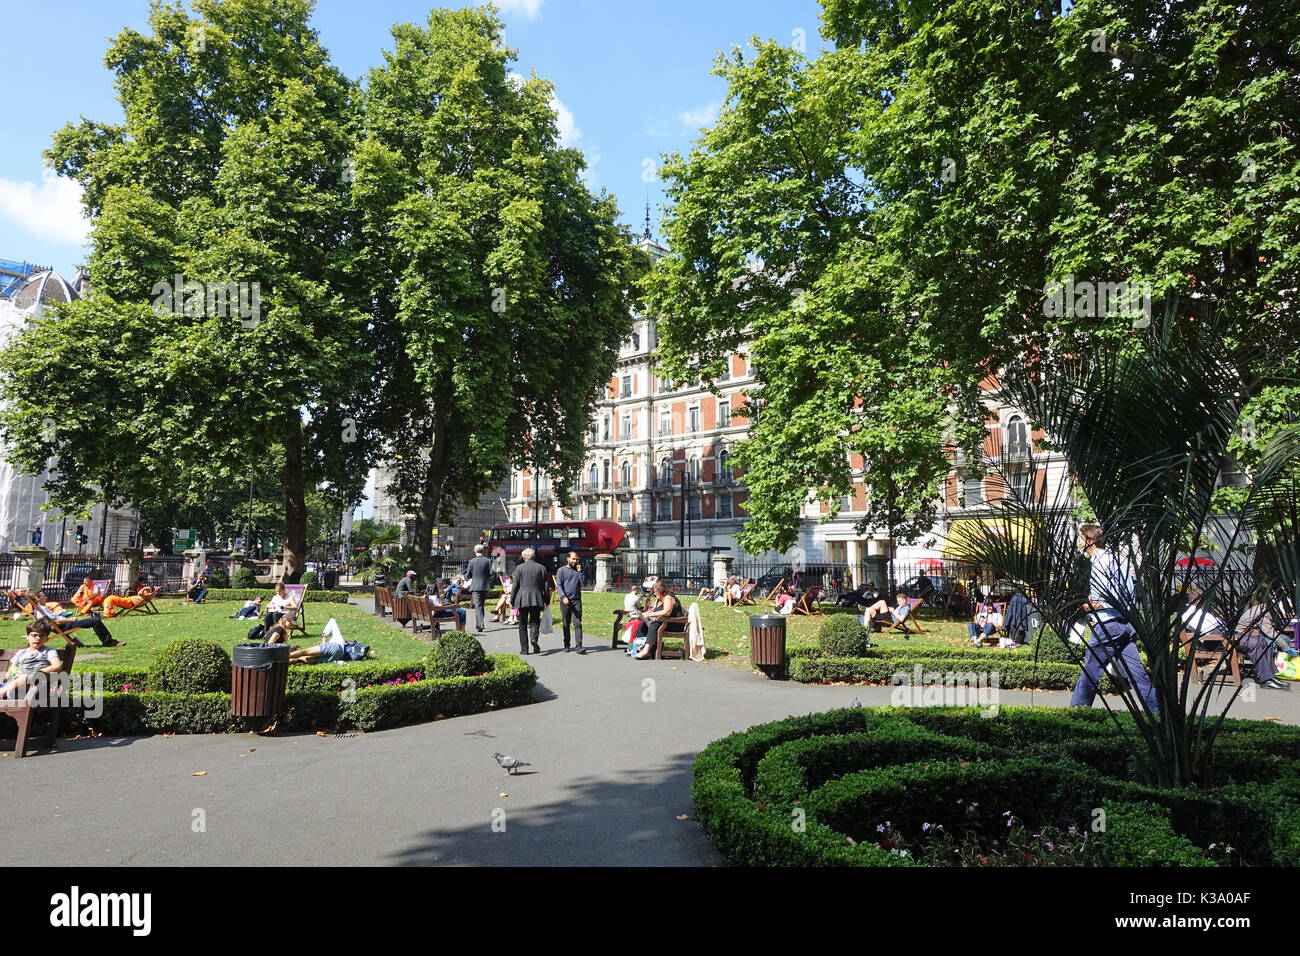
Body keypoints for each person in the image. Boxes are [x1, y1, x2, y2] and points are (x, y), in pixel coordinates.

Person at [1069, 524, 1159, 712]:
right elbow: (1128, 593)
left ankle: (1076, 712)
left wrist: (1091, 605)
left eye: (1081, 539)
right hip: (1126, 624)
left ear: (1089, 541)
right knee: (1137, 674)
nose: (1079, 543)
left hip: (1108, 625)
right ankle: (1155, 711)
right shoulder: (1117, 560)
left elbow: (1109, 598)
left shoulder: (1101, 563)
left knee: (1090, 672)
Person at [1182, 588, 1288, 690]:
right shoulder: (1190, 615)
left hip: (1224, 636)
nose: (1206, 602)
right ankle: (1266, 680)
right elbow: (1206, 632)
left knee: (1261, 640)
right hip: (1216, 641)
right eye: (1203, 599)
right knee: (1255, 643)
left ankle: (1270, 677)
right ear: (1195, 600)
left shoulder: (1202, 611)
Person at [1, 621, 63, 699]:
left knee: (24, 678)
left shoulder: (49, 651)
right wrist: (16, 674)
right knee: (20, 680)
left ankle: (1, 692)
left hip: (37, 686)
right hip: (17, 684)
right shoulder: (21, 653)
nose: (38, 638)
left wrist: (32, 674)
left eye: (42, 636)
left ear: (47, 639)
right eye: (34, 635)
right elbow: (10, 672)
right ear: (27, 636)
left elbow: (57, 666)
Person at [511, 548, 550, 655]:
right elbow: (546, 586)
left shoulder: (519, 568)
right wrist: (547, 600)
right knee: (535, 621)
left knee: (522, 624)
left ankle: (524, 649)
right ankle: (534, 639)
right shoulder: (541, 568)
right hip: (537, 598)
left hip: (522, 598)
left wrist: (512, 600)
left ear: (523, 557)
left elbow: (515, 586)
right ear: (534, 556)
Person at [635, 580, 678, 659]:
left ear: (661, 590)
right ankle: (638, 648)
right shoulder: (660, 599)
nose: (654, 593)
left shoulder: (668, 597)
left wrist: (649, 614)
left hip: (674, 623)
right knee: (643, 625)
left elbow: (667, 612)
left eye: (655, 591)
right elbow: (655, 611)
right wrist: (645, 615)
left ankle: (646, 651)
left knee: (654, 625)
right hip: (664, 622)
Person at [556, 550, 585, 654]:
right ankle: (566, 645)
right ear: (568, 559)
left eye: (576, 559)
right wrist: (563, 597)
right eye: (573, 559)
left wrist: (580, 572)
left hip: (576, 600)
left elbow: (582, 584)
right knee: (566, 623)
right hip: (565, 601)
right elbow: (558, 585)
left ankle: (579, 646)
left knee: (577, 623)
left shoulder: (578, 571)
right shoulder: (561, 570)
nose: (575, 561)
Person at [466, 544, 494, 632]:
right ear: (483, 551)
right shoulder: (488, 561)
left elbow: (468, 575)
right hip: (485, 585)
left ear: (475, 551)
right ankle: (480, 623)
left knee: (478, 605)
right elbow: (491, 573)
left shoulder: (472, 561)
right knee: (481, 605)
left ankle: (480, 624)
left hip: (475, 586)